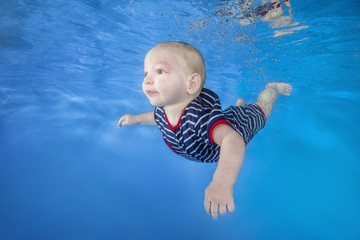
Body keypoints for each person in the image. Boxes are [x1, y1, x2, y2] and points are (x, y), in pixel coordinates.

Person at [118, 41, 292, 220]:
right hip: (221, 123)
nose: (147, 80)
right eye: (146, 72)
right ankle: (239, 107)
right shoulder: (165, 108)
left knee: (262, 111)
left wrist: (222, 181)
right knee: (228, 117)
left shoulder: (198, 118)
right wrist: (136, 119)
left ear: (191, 84)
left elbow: (232, 141)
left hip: (240, 128)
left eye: (160, 71)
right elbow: (156, 118)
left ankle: (271, 89)